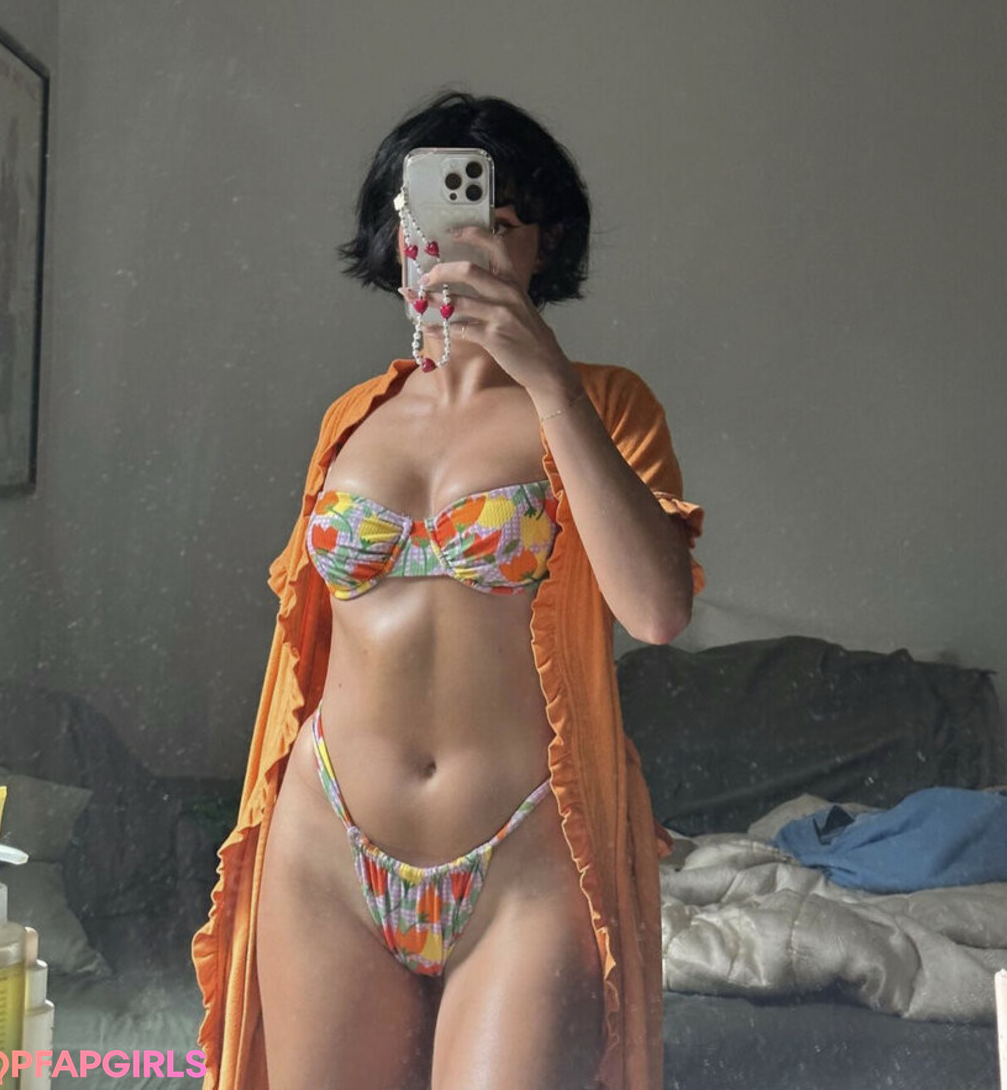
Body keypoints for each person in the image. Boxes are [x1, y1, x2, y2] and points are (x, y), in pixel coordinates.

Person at [191, 90, 706, 1090]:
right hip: (326, 849)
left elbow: (656, 610)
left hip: (525, 858)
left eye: (497, 222)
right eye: (424, 216)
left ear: (544, 246)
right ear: (394, 239)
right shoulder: (352, 418)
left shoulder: (604, 403)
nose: (456, 246)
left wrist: (547, 381)